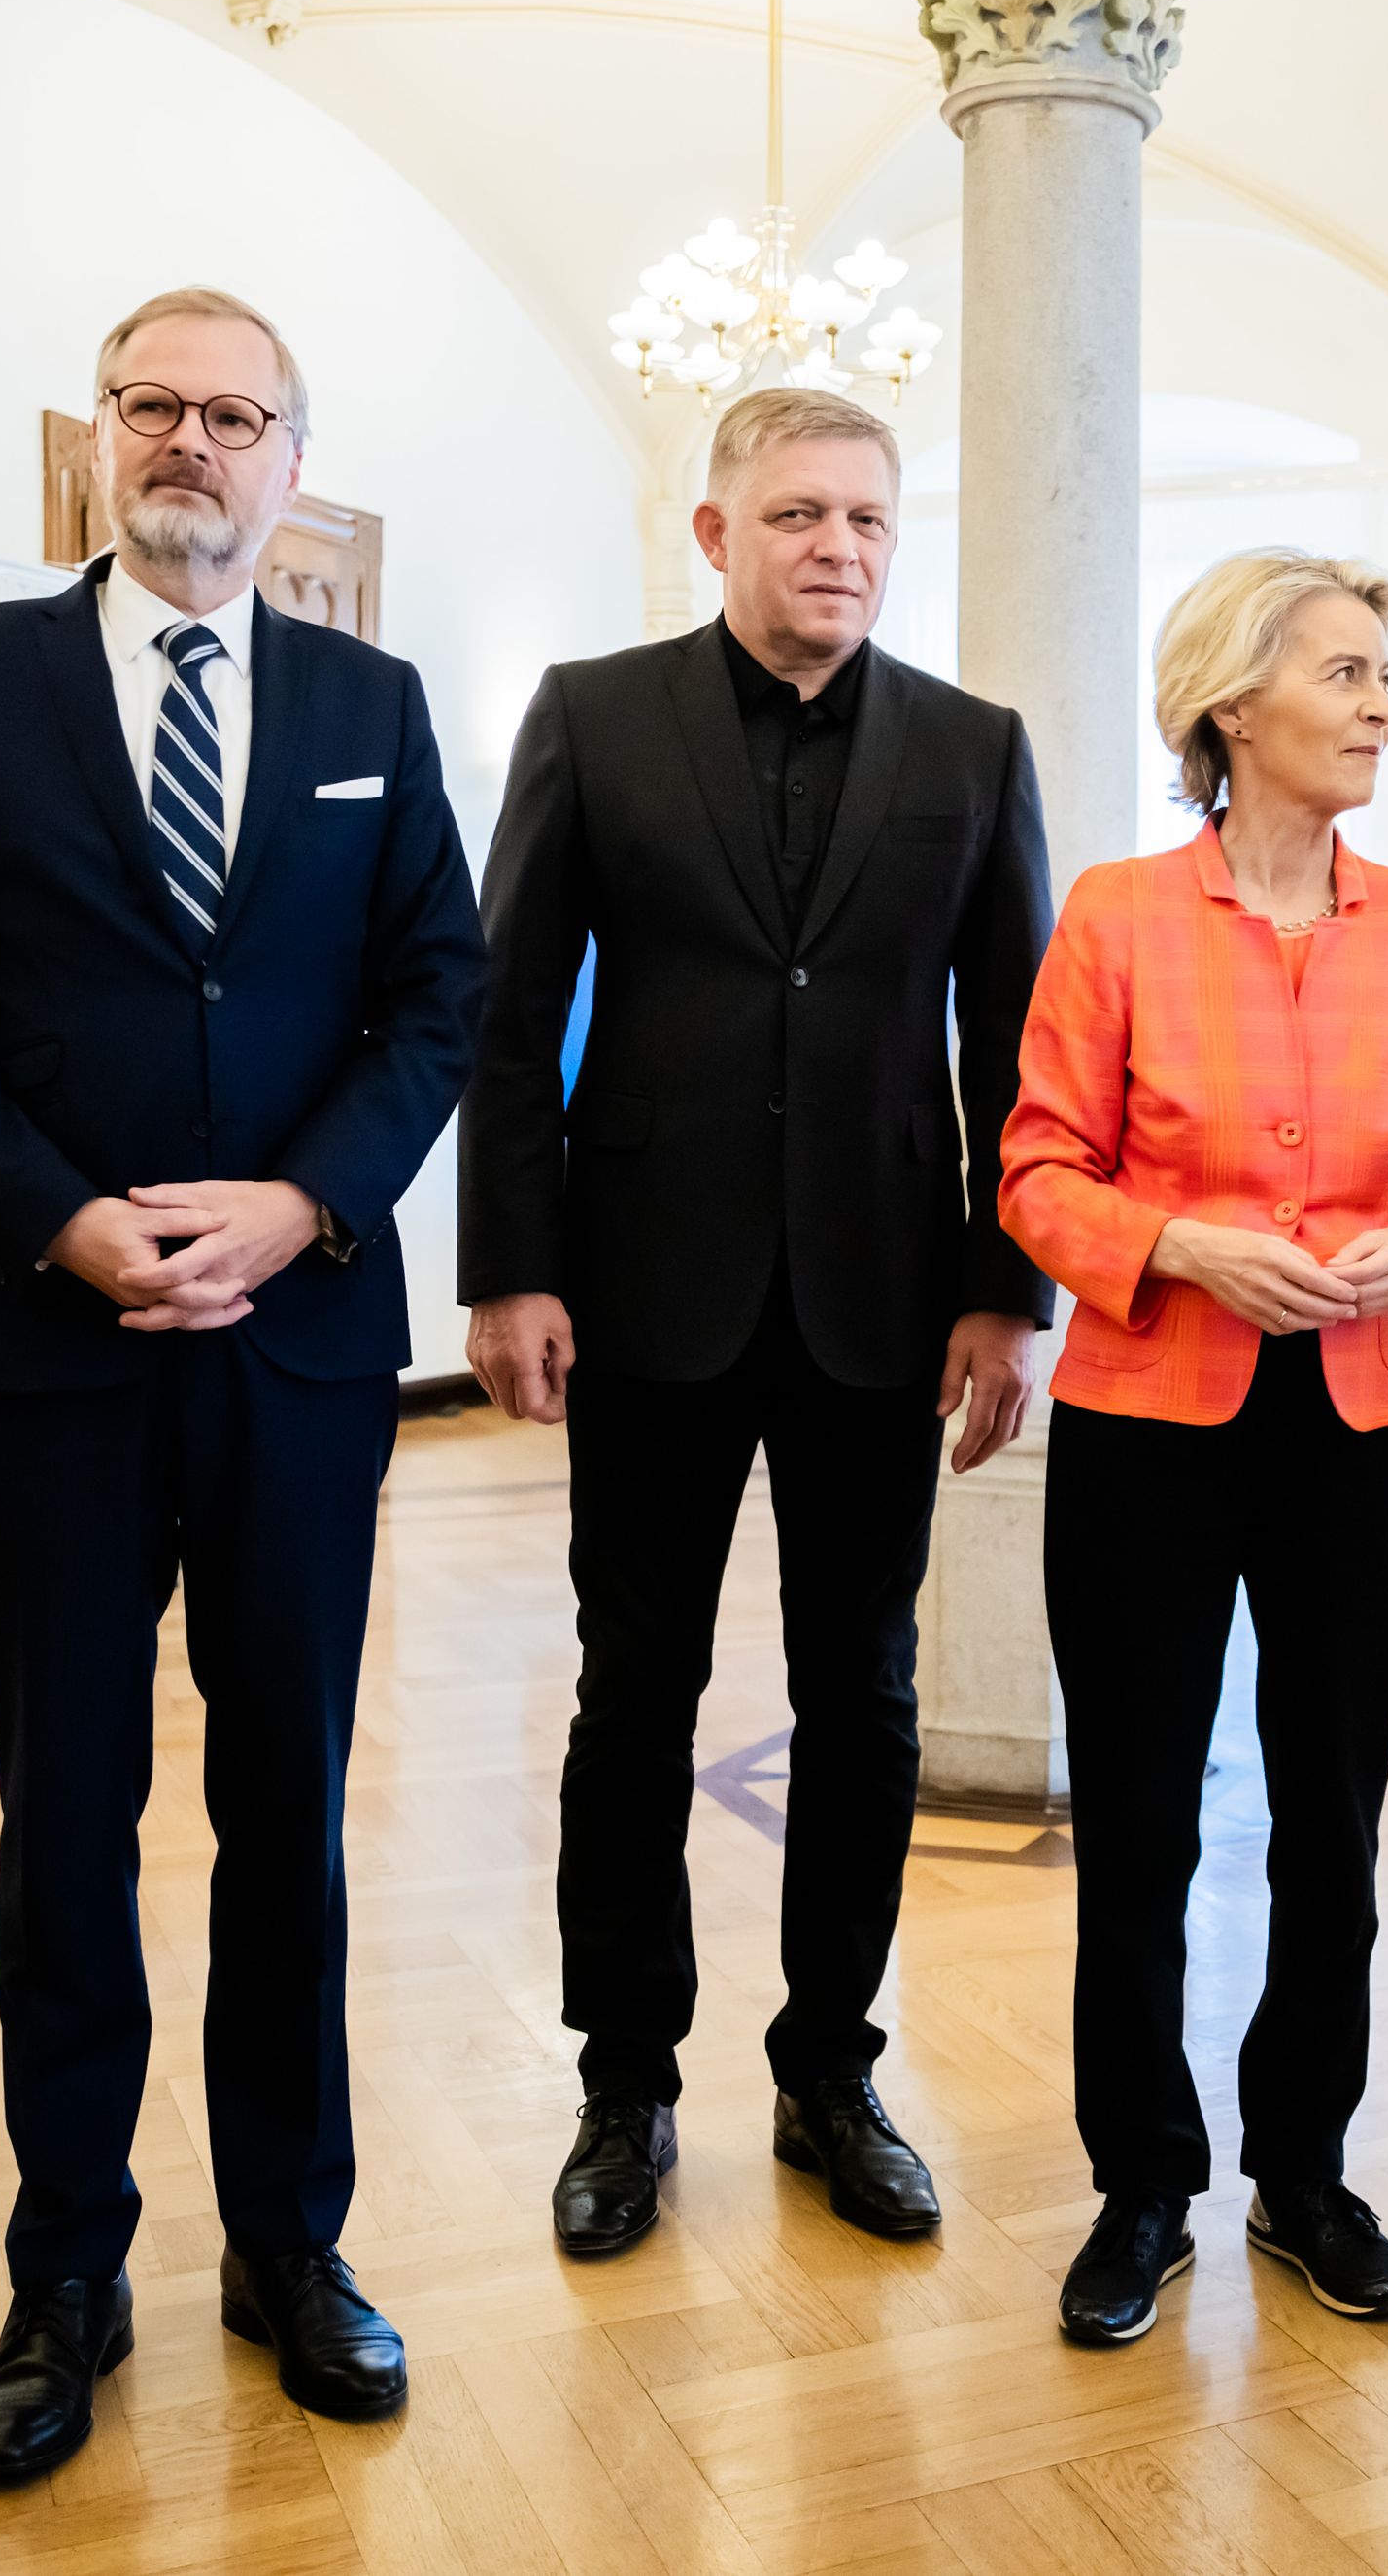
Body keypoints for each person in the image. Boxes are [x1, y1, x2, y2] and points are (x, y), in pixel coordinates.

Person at [0, 288, 483, 2478]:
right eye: (156, 408)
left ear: (292, 460)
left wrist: (304, 1205)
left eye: (236, 415)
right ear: (97, 442)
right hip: (56, 1349)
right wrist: (53, 1210)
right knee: (68, 1824)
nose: (193, 444)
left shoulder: (372, 701)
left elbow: (435, 1000)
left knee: (285, 1817)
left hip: (296, 1357)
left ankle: (292, 2246)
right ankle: (64, 2268)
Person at [458, 388, 1050, 2255]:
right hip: (643, 1291)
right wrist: (509, 1263)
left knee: (860, 1703)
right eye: (801, 515)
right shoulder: (592, 715)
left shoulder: (974, 745)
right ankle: (623, 2086)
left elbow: (1014, 1046)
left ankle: (828, 2070)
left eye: (871, 521)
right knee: (635, 1699)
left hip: (884, 1300)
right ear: (717, 536)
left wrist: (1007, 1291)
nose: (841, 550)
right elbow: (507, 1005)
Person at [998, 549, 1388, 2346]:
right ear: (1234, 704)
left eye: (1386, 673)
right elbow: (1037, 1168)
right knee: (1137, 1830)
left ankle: (1305, 2172)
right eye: (1348, 672)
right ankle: (1144, 2186)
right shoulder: (1122, 915)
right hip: (1150, 1423)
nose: (1382, 702)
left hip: (1360, 1424)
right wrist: (1171, 1247)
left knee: (1330, 1825)